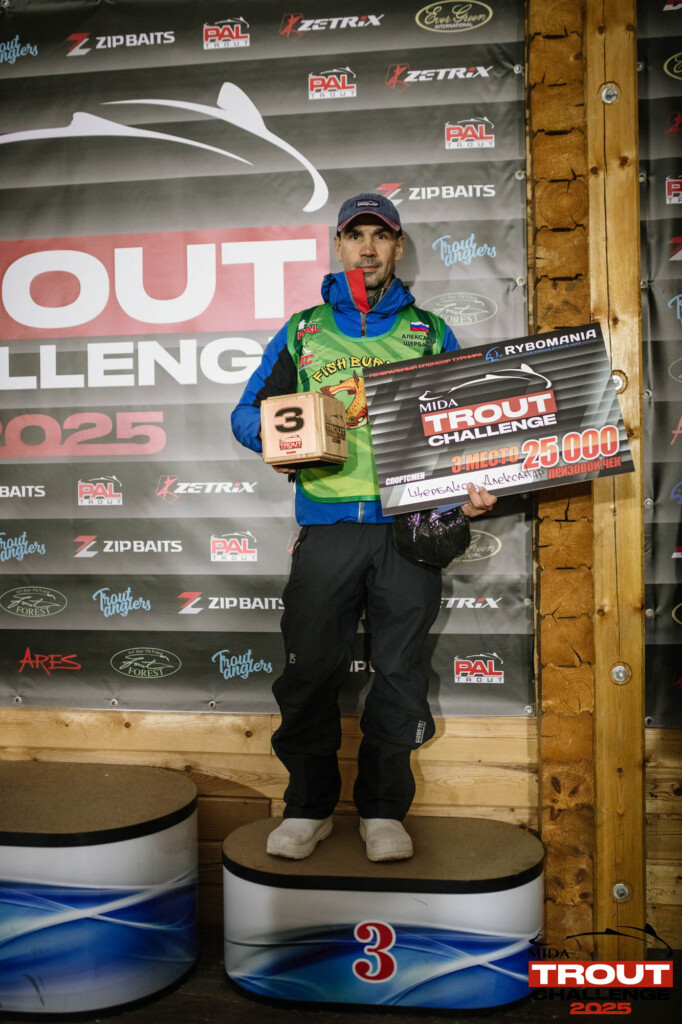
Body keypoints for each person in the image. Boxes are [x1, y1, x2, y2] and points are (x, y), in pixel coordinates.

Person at [231, 193, 496, 862]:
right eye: (357, 236)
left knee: (400, 673)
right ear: (339, 245)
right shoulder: (304, 330)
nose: (369, 248)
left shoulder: (430, 332)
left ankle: (382, 811)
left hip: (410, 527)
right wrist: (288, 435)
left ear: (398, 247)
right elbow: (246, 414)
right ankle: (308, 807)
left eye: (381, 236)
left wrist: (473, 487)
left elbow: (465, 427)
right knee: (309, 672)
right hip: (330, 527)